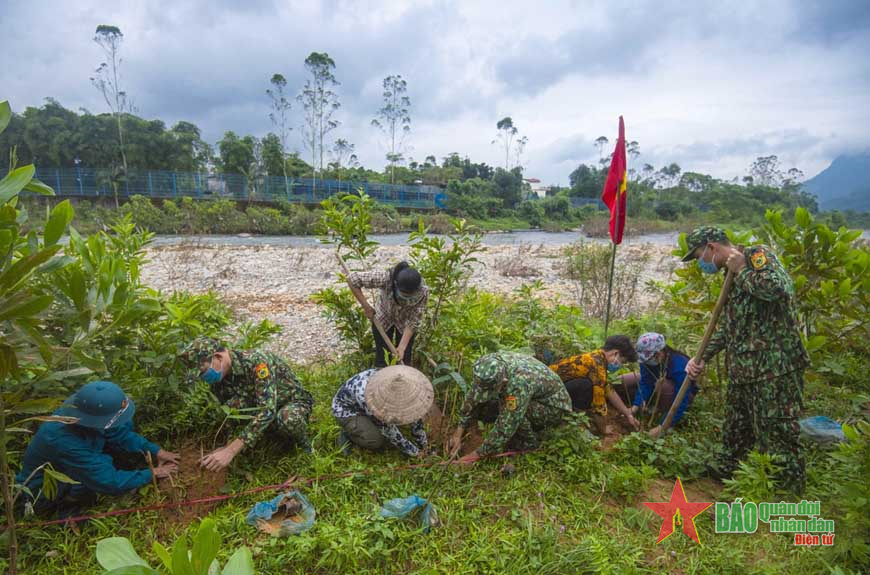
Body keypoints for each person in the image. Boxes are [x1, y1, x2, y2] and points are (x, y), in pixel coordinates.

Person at [681, 226, 808, 495]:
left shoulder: (756, 257)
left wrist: (742, 270)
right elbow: (730, 328)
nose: (700, 263)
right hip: (743, 370)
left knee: (777, 430)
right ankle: (728, 472)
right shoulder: (729, 274)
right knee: (736, 426)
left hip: (775, 368)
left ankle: (786, 490)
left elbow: (780, 290)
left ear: (712, 247)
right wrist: (700, 357)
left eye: (699, 255)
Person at [16, 381, 178, 517]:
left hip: (77, 462)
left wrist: (156, 451)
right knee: (87, 486)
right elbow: (107, 480)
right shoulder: (63, 440)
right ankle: (67, 507)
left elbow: (118, 433)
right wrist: (151, 473)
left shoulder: (89, 414)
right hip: (43, 493)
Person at [181, 338, 314, 471]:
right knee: (232, 406)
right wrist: (227, 445)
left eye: (204, 372)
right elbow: (230, 414)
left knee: (288, 419)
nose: (205, 377)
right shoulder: (219, 379)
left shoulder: (257, 361)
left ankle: (306, 447)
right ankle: (270, 435)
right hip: (258, 405)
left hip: (290, 402)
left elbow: (267, 410)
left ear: (218, 357)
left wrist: (231, 451)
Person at [448, 351, 571, 463]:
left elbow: (507, 424)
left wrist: (474, 456)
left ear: (504, 381)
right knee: (490, 408)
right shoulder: (488, 365)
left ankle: (528, 443)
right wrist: (458, 432)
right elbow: (472, 395)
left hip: (554, 406)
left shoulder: (519, 383)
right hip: (532, 392)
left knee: (515, 414)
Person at [332, 365, 433, 457]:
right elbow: (389, 431)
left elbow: (415, 416)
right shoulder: (369, 396)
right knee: (375, 441)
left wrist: (424, 446)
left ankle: (365, 425)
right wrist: (415, 452)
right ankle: (348, 433)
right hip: (348, 411)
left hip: (363, 406)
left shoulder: (398, 378)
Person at [548, 335, 641, 433]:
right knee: (587, 387)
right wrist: (604, 429)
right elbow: (599, 404)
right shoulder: (596, 365)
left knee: (589, 385)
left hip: (555, 387)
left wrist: (627, 413)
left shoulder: (597, 357)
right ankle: (572, 420)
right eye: (623, 361)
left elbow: (608, 389)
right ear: (615, 353)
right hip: (551, 392)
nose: (620, 365)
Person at [348, 262, 429, 367]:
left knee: (404, 358)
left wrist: (402, 347)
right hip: (383, 317)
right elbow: (352, 279)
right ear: (395, 284)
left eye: (411, 296)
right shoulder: (385, 278)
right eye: (404, 295)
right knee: (382, 359)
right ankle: (382, 377)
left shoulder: (423, 291)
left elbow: (414, 320)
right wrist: (366, 306)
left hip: (405, 322)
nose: (407, 298)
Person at [628, 332, 697, 438]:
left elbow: (681, 397)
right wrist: (636, 406)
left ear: (660, 353)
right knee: (630, 379)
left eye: (648, 358)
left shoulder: (680, 364)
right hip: (660, 390)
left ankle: (663, 413)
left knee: (663, 385)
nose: (646, 362)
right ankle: (651, 406)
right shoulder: (647, 361)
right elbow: (645, 382)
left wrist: (662, 426)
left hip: (682, 395)